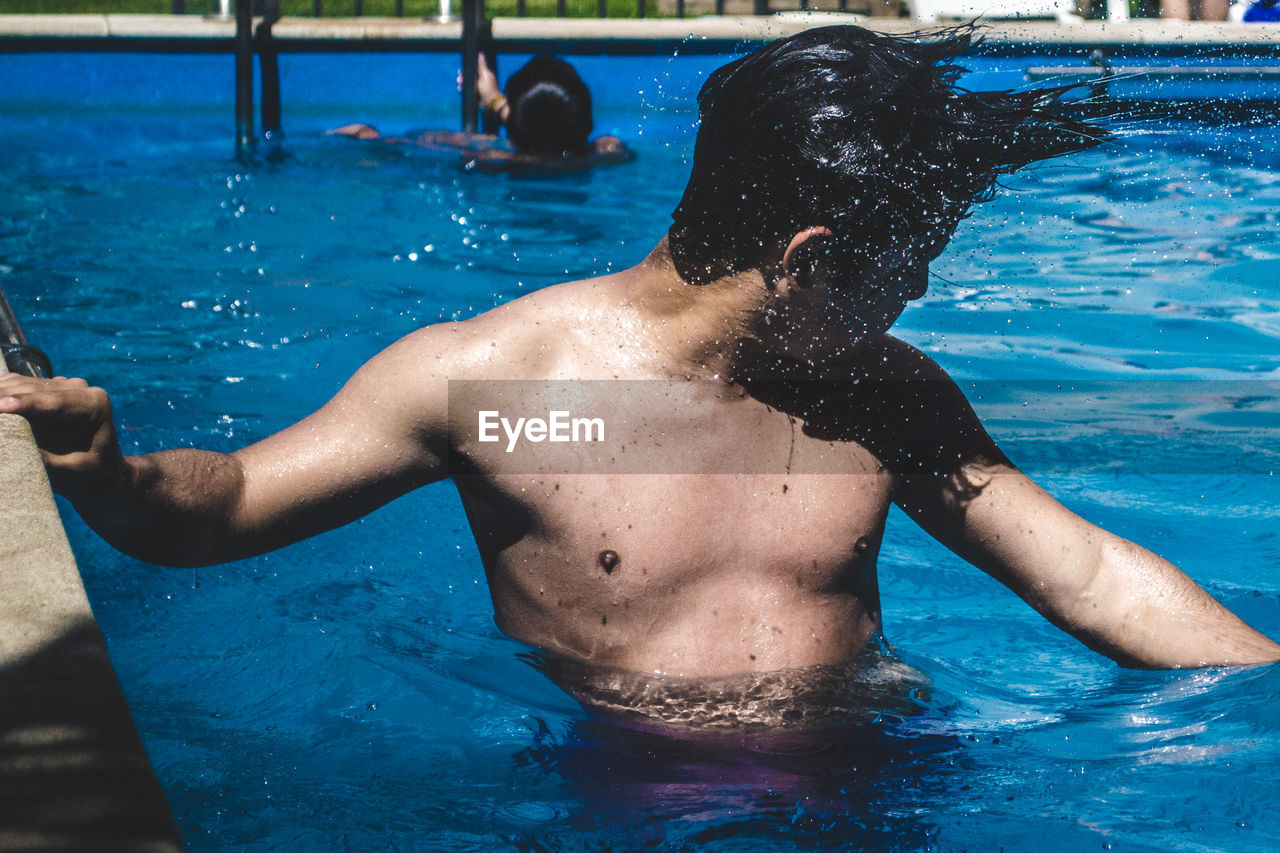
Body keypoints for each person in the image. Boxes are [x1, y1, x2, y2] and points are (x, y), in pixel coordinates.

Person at [3, 25, 1277, 728]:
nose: (920, 299)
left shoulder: (875, 394)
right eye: (908, 268)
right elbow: (222, 509)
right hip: (631, 807)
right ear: (808, 258)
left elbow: (1091, 571)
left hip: (887, 787)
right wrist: (109, 472)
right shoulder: (505, 387)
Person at [331, 53, 629, 173]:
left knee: (367, 133)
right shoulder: (605, 155)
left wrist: (364, 134)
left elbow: (401, 147)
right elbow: (545, 139)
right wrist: (499, 104)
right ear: (586, 119)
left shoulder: (488, 159)